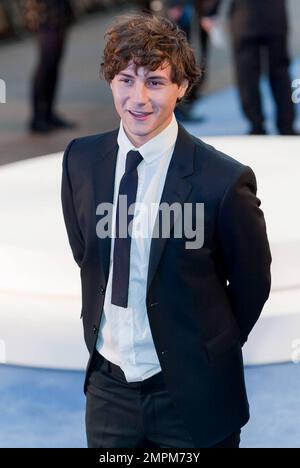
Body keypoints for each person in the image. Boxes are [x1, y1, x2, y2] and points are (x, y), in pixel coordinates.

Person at [61, 13, 272, 448]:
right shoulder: (80, 161)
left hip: (194, 394)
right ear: (110, 82)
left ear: (182, 87)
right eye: (125, 79)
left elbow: (253, 282)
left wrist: (207, 346)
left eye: (155, 82)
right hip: (109, 390)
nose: (138, 98)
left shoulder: (222, 181)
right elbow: (86, 252)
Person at [201, 0, 297, 135]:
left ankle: (256, 124)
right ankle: (286, 124)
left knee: (247, 76)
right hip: (275, 17)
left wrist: (209, 12)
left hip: (244, 19)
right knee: (280, 72)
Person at [24, 0, 76, 133]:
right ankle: (38, 117)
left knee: (54, 64)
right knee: (46, 63)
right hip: (44, 14)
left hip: (59, 11)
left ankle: (48, 113)